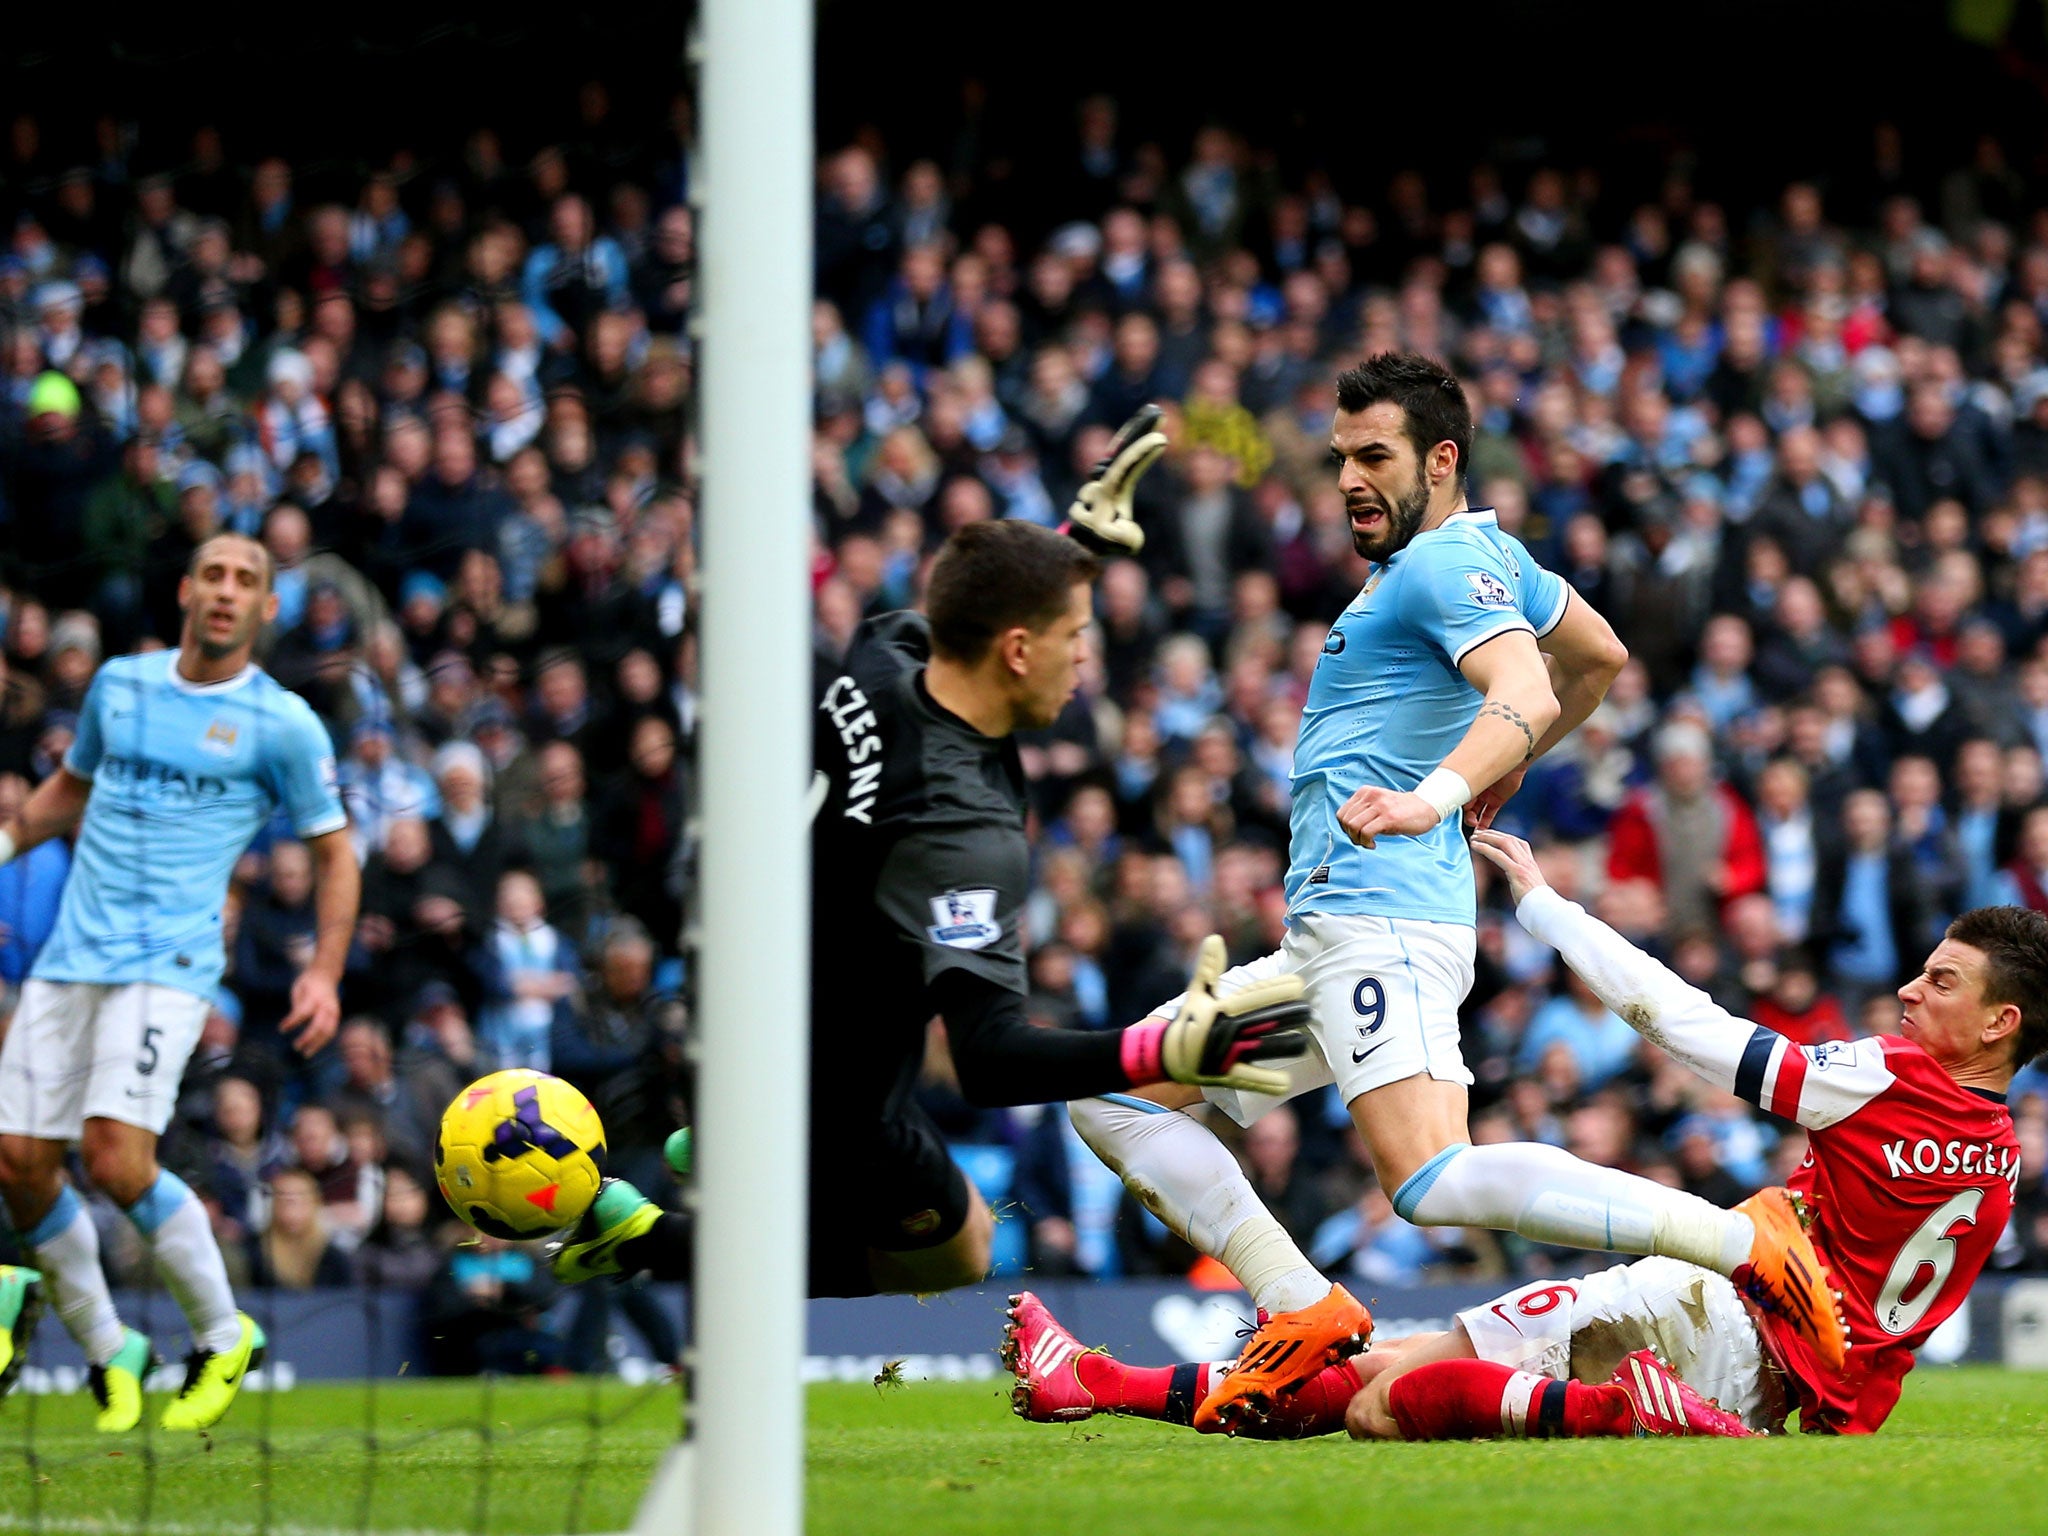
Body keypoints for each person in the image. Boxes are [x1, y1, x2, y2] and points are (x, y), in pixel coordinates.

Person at [1057, 354, 1839, 1432]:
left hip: (1383, 920)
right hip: (1331, 937)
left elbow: (1525, 684)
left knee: (1426, 1178)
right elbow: (1595, 657)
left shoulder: (1439, 568)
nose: (1346, 480)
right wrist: (1509, 757)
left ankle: (1740, 1242)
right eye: (1337, 459)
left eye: (1372, 456)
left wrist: (1436, 794)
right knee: (1116, 1093)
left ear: (1440, 459)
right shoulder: (1483, 558)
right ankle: (1303, 1307)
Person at [550, 410, 1316, 1299]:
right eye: (1076, 636)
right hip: (832, 1089)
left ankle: (732, 1137)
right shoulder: (963, 834)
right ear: (1019, 651)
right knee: (960, 1253)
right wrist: (1160, 1052)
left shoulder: (885, 652)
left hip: (739, 1000)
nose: (1085, 660)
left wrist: (1072, 543)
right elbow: (990, 1058)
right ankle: (646, 1235)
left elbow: (968, 609)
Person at [1005, 828, 2037, 1441]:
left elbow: (1695, 1033)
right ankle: (1091, 1382)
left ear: (2000, 1023)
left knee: (1382, 1398)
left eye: (1940, 982)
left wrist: (1547, 909)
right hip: (1781, 1379)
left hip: (1717, 1308)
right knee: (1385, 1372)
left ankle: (1620, 1412)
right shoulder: (1996, 1156)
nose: (1907, 990)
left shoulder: (1898, 1080)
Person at [0, 531, 358, 1433]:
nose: (228, 592)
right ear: (186, 592)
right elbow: (66, 794)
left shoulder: (281, 724)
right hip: (71, 955)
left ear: (268, 608)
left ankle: (221, 1330)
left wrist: (322, 970)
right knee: (19, 1163)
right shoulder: (120, 688)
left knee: (118, 1157)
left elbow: (336, 855)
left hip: (170, 966)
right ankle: (109, 1345)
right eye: (214, 575)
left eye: (247, 580)